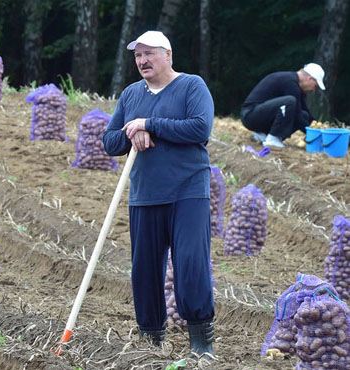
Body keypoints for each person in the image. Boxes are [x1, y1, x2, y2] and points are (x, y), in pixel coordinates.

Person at [102, 30, 215, 356]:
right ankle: (151, 340)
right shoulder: (131, 94)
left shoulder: (192, 86)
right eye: (138, 55)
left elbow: (199, 128)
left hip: (187, 191)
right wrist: (132, 130)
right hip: (145, 194)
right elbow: (110, 142)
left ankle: (202, 342)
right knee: (144, 269)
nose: (142, 60)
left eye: (149, 53)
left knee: (191, 262)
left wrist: (150, 123)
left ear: (168, 54)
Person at [240, 63, 325, 148]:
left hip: (259, 115)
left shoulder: (294, 84)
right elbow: (297, 115)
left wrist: (317, 127)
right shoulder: (290, 83)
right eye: (315, 86)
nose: (314, 89)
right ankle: (273, 139)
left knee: (304, 115)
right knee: (289, 101)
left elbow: (304, 111)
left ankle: (262, 135)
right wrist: (311, 134)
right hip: (250, 115)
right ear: (309, 79)